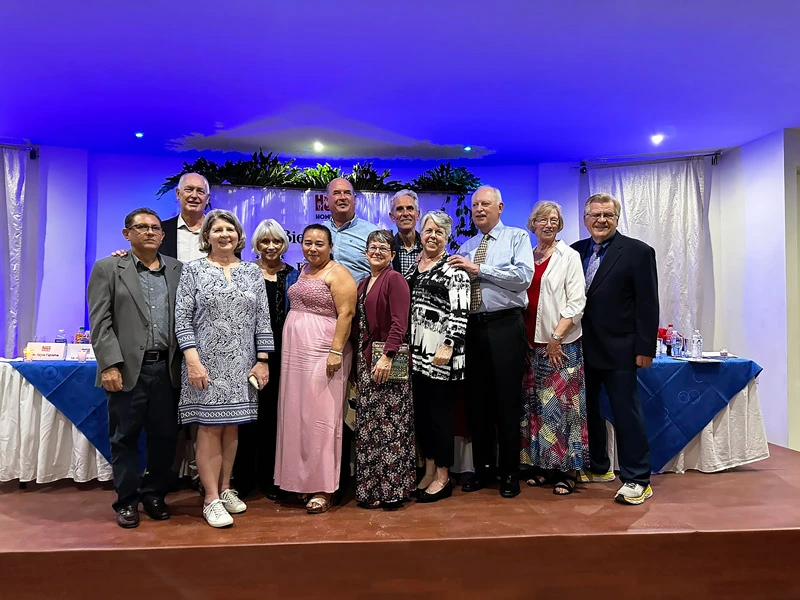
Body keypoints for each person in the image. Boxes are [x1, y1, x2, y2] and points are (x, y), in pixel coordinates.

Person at [174, 210, 274, 527]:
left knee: (232, 426)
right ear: (207, 236)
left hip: (242, 364)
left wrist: (262, 360)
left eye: (230, 229)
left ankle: (226, 488)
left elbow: (263, 319)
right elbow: (182, 319)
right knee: (209, 428)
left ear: (239, 236)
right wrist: (192, 360)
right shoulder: (193, 271)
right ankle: (210, 498)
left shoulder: (252, 273)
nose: (225, 234)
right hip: (205, 364)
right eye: (217, 229)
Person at [87, 208, 182, 528]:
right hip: (127, 370)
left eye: (156, 228)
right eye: (142, 227)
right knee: (124, 439)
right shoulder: (109, 268)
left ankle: (154, 494)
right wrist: (109, 365)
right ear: (127, 233)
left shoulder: (178, 270)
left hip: (167, 370)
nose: (150, 232)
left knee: (164, 438)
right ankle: (126, 501)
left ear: (163, 235)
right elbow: (100, 322)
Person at [571, 193, 659, 505]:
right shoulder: (574, 251)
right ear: (585, 220)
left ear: (616, 218)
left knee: (626, 414)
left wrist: (645, 347)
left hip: (622, 350)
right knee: (589, 412)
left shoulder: (637, 252)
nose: (601, 220)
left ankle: (637, 478)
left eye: (608, 215)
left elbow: (647, 304)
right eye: (595, 215)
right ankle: (598, 467)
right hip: (582, 348)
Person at [448, 186, 534, 498]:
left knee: (507, 402)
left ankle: (509, 472)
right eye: (475, 205)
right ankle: (483, 470)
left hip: (505, 326)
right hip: (472, 327)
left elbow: (524, 276)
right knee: (478, 403)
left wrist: (478, 269)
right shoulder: (467, 245)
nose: (479, 209)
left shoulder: (517, 237)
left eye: (485, 204)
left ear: (500, 206)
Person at [274, 224, 357, 514]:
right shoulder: (303, 272)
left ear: (330, 246)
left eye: (319, 243)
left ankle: (323, 486)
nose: (312, 248)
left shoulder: (339, 273)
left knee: (322, 418)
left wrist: (335, 350)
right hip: (296, 354)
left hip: (324, 352)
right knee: (298, 415)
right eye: (307, 242)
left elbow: (346, 313)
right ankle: (301, 481)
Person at [520, 201, 588, 496]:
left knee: (563, 408)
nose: (548, 224)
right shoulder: (527, 256)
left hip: (559, 345)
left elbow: (577, 303)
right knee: (535, 407)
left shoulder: (568, 256)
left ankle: (568, 471)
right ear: (532, 223)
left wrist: (556, 337)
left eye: (554, 220)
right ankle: (543, 466)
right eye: (542, 219)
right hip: (529, 345)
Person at [232, 219, 299, 501]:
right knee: (247, 418)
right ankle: (243, 478)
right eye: (264, 242)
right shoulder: (244, 272)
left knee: (274, 418)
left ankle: (272, 477)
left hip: (284, 355)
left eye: (276, 241)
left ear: (284, 244)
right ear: (255, 245)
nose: (270, 247)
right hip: (248, 354)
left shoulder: (295, 275)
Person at [406, 211, 470, 503]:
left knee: (440, 416)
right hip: (416, 355)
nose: (432, 236)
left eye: (439, 232)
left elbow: (460, 314)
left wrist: (447, 345)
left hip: (440, 355)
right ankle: (429, 467)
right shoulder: (413, 268)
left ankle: (444, 474)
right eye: (428, 230)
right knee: (422, 414)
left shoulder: (454, 269)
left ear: (447, 237)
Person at [351, 230, 414, 509]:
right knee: (369, 428)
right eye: (372, 247)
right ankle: (371, 488)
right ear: (366, 252)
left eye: (383, 248)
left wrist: (388, 356)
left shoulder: (395, 279)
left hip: (387, 362)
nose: (377, 252)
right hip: (366, 362)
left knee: (391, 428)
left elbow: (400, 323)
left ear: (392, 254)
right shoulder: (363, 283)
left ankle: (392, 490)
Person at [323, 177, 378, 283]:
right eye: (336, 193)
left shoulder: (372, 233)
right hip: (322, 298)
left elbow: (385, 275)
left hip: (361, 298)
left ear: (355, 199)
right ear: (326, 201)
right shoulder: (319, 232)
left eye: (347, 193)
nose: (342, 197)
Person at [161, 172, 212, 261]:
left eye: (200, 191)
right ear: (178, 193)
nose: (194, 195)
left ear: (207, 198)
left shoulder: (220, 232)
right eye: (189, 189)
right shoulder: (161, 230)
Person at [388, 189, 423, 275]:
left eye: (410, 208)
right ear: (392, 217)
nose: (405, 213)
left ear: (417, 215)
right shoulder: (387, 248)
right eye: (400, 209)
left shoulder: (428, 247)